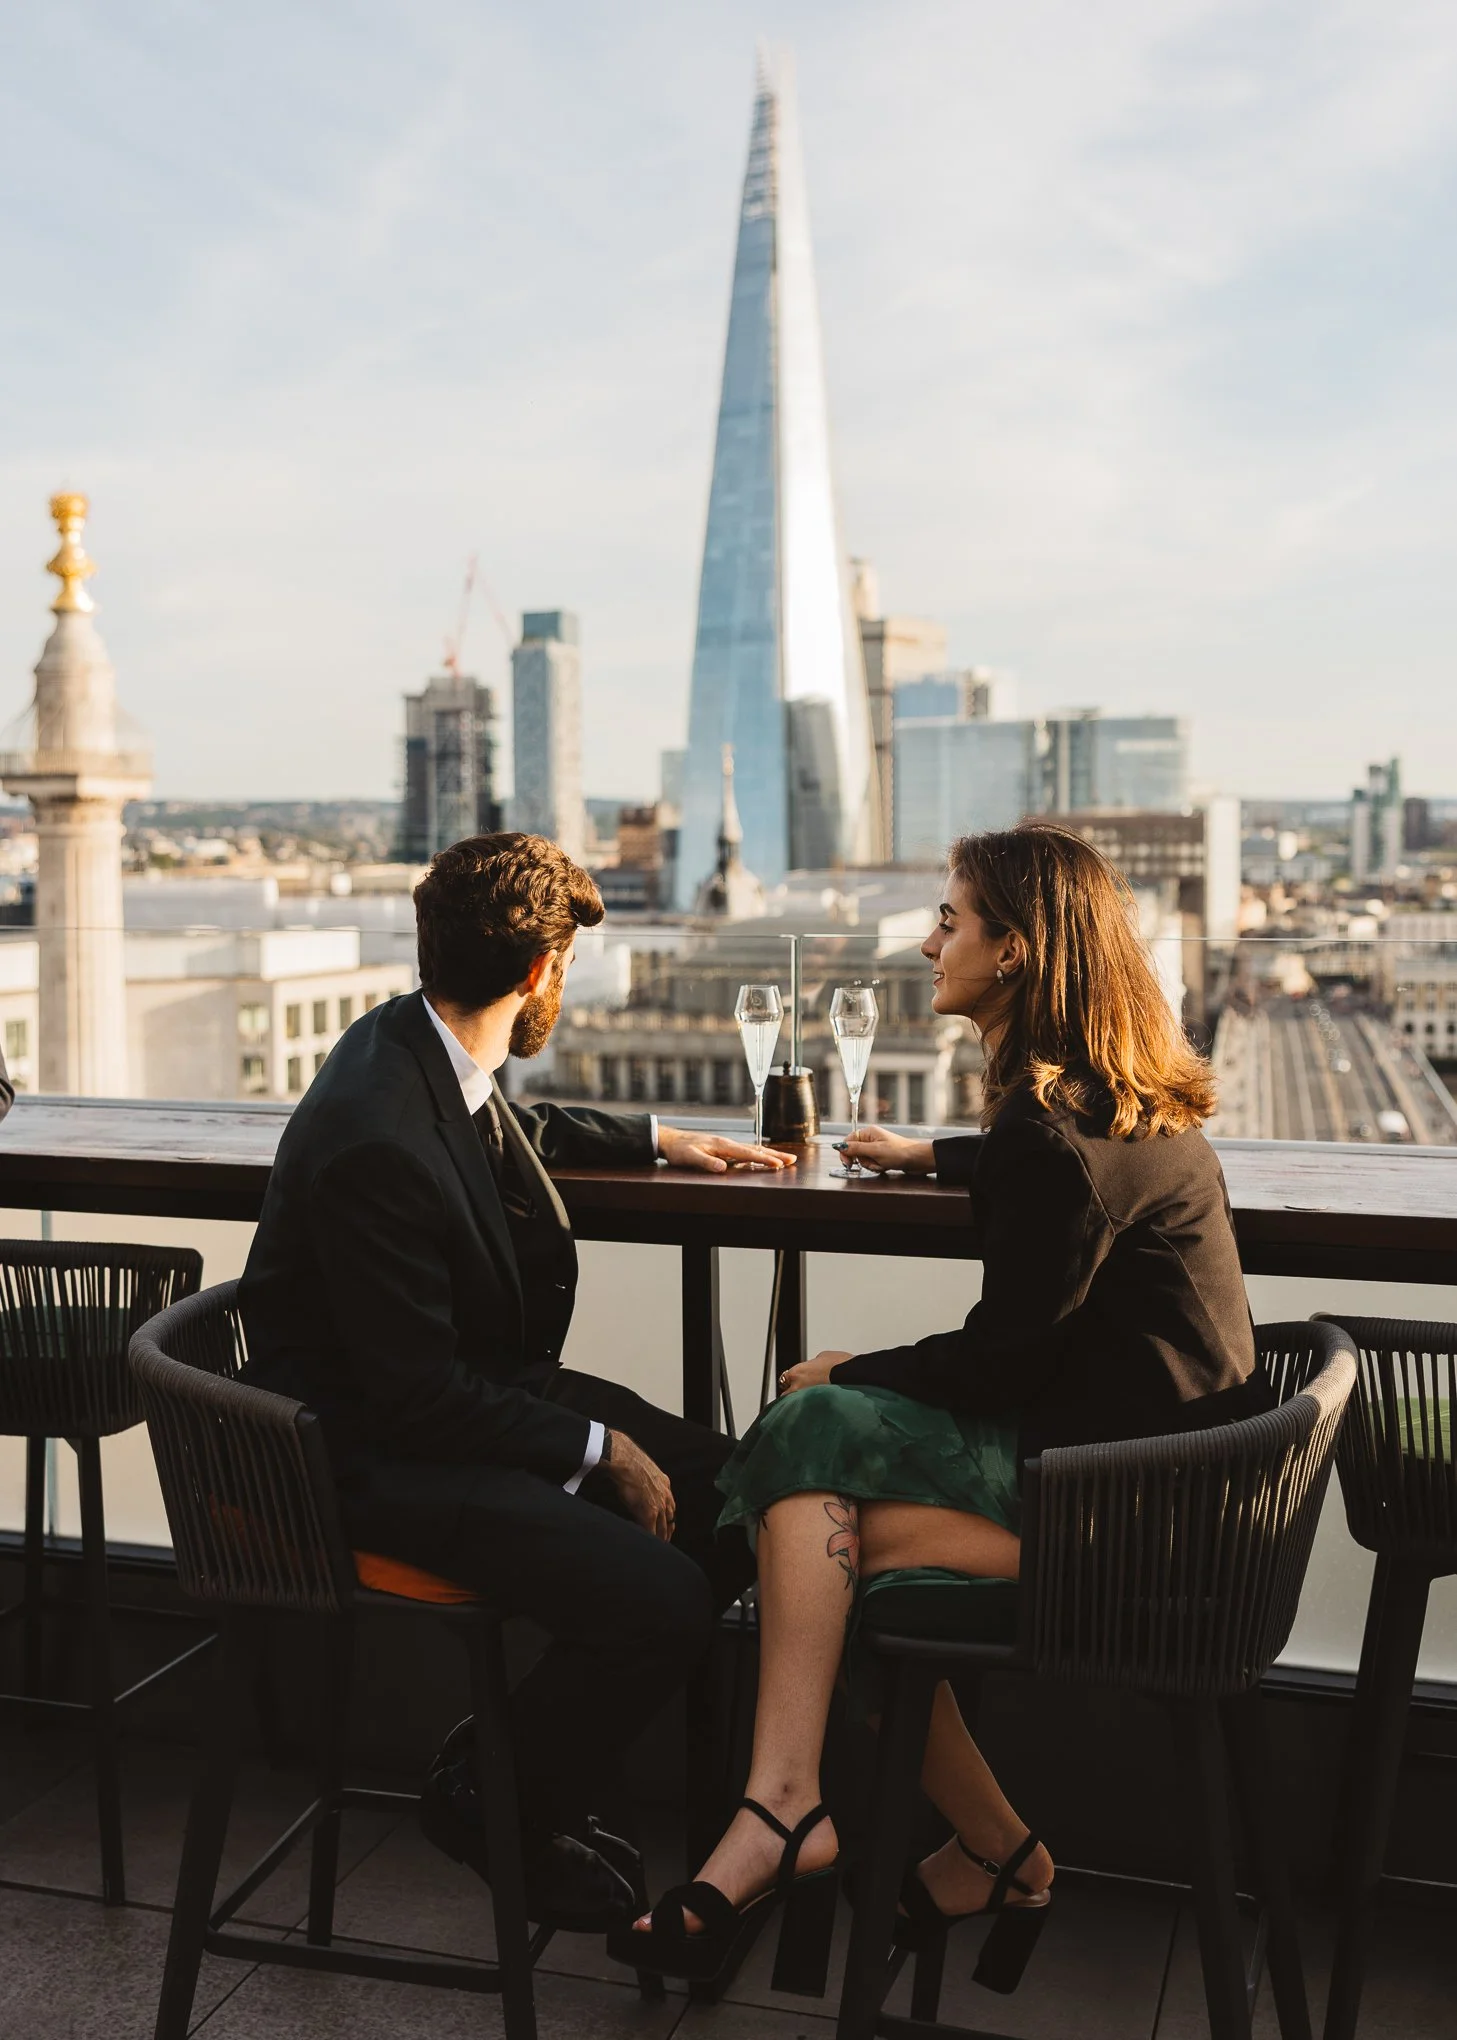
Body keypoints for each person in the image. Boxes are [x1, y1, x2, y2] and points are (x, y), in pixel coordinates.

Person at [617, 820, 1272, 1997]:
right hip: (1180, 1488)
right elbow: (1058, 1186)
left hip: (1125, 1518)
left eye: (950, 921)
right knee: (817, 1542)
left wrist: (848, 1368)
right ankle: (979, 1853)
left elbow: (999, 1361)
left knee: (811, 1482)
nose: (928, 944)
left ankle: (791, 1810)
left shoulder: (1048, 1135)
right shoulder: (1098, 1102)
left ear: (1014, 953)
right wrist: (939, 1156)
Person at [238, 832, 793, 1930]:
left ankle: (526, 1765)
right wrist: (596, 1451)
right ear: (542, 973)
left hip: (441, 1402)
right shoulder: (374, 1139)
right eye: (568, 969)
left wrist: (652, 1136)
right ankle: (492, 1797)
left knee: (741, 1491)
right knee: (664, 1597)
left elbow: (498, 1121)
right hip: (366, 1454)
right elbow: (415, 1395)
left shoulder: (407, 1044)